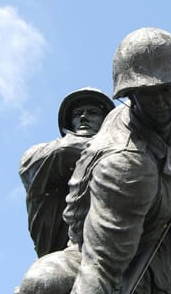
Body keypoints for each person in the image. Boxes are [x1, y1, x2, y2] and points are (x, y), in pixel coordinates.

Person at [18, 27, 171, 294]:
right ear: (132, 96)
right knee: (43, 283)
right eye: (150, 93)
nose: (162, 101)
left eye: (168, 89)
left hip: (161, 254)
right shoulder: (125, 163)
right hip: (102, 252)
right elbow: (101, 269)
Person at [19, 87, 114, 257]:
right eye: (77, 114)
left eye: (92, 112)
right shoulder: (42, 152)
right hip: (63, 251)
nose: (84, 117)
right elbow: (59, 154)